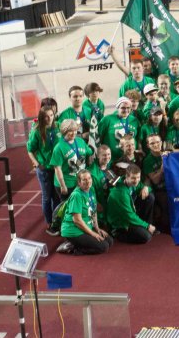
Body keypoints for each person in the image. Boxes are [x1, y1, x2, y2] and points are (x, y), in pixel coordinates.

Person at [56, 169, 113, 255]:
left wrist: (97, 228)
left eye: (89, 178)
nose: (88, 181)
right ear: (79, 183)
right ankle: (72, 248)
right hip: (74, 230)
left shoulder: (91, 190)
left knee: (109, 241)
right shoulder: (76, 195)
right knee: (103, 247)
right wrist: (93, 233)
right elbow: (77, 220)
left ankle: (78, 243)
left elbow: (94, 210)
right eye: (84, 180)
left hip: (86, 226)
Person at [27, 106, 61, 234]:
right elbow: (30, 150)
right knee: (47, 197)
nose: (49, 118)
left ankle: (56, 221)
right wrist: (37, 164)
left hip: (56, 168)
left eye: (51, 115)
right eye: (46, 116)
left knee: (56, 196)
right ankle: (49, 223)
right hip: (44, 169)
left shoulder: (58, 126)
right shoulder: (37, 131)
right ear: (41, 117)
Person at [107, 163, 156, 244]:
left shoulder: (132, 183)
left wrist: (146, 187)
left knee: (150, 197)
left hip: (130, 212)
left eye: (138, 177)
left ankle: (146, 226)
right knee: (146, 237)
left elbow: (146, 188)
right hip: (121, 222)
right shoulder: (121, 192)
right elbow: (129, 215)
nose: (136, 180)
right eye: (133, 178)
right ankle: (116, 233)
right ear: (126, 176)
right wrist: (147, 226)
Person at [50, 120, 92, 201]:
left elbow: (89, 151)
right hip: (67, 183)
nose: (74, 133)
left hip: (79, 182)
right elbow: (57, 169)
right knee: (69, 207)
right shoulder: (58, 148)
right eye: (70, 131)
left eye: (75, 130)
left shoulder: (80, 141)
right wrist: (63, 185)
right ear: (64, 131)